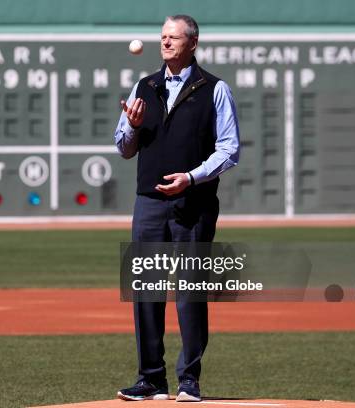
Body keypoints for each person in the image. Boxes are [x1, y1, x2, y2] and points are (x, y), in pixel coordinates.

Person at [114, 14, 240, 402]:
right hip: (149, 203)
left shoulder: (213, 89)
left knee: (190, 293)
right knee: (146, 291)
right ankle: (150, 378)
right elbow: (123, 147)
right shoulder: (144, 86)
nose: (166, 43)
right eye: (163, 37)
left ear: (193, 43)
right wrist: (132, 127)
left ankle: (189, 379)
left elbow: (229, 148)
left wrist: (192, 176)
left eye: (174, 38)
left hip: (194, 203)